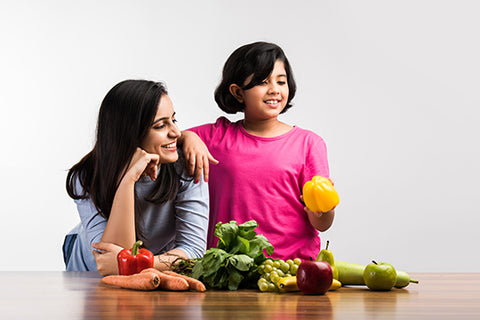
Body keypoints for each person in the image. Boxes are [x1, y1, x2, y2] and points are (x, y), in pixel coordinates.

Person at [181, 41, 335, 261]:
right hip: (226, 270)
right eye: (262, 82)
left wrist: (324, 211)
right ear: (237, 92)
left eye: (281, 81)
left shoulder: (309, 143)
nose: (274, 89)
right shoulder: (215, 137)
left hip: (290, 270)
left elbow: (321, 224)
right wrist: (188, 137)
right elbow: (164, 137)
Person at [63, 80, 209, 275]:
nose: (176, 133)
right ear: (130, 133)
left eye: (174, 120)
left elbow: (194, 252)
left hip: (152, 268)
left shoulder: (185, 166)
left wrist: (139, 264)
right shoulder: (87, 175)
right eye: (160, 126)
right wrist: (128, 180)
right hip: (88, 270)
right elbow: (111, 261)